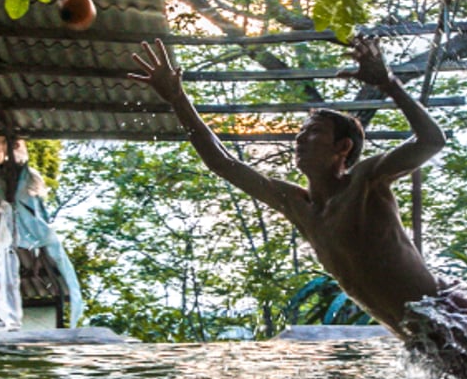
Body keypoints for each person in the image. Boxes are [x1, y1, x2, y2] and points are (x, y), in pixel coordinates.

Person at [128, 35, 445, 338]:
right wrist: (177, 98)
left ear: (343, 147)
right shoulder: (298, 206)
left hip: (451, 318)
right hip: (420, 342)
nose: (299, 138)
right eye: (301, 132)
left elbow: (432, 141)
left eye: (314, 132)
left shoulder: (366, 180)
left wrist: (389, 83)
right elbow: (223, 163)